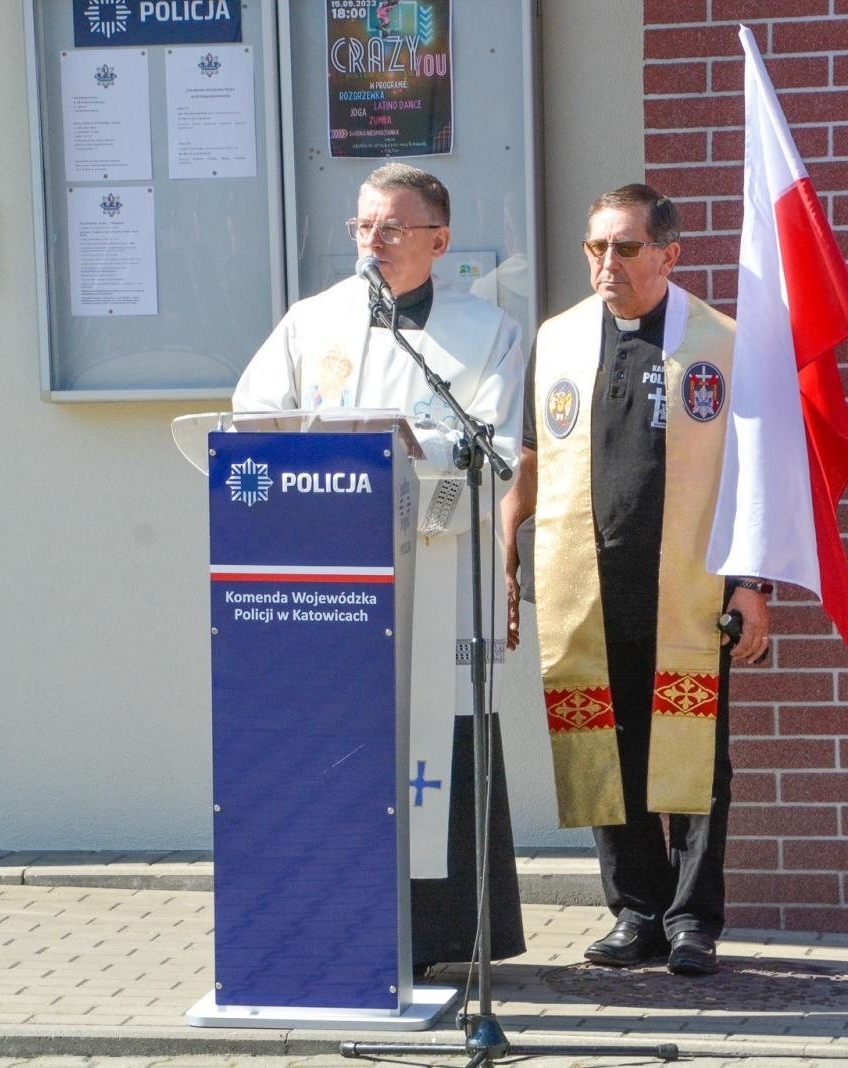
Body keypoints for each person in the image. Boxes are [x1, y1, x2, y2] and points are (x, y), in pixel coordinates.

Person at [233, 162, 527, 971]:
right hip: (332, 578)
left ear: (438, 241)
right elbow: (253, 419)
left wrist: (414, 456)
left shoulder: (486, 333)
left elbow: (497, 454)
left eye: (393, 228)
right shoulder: (310, 321)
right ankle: (334, 920)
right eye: (364, 226)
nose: (374, 241)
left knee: (439, 747)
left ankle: (438, 938)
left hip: (436, 573)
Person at [501, 184, 770, 978]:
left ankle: (692, 920)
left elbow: (754, 475)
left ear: (668, 253)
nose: (605, 264)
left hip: (688, 590)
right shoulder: (558, 341)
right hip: (586, 585)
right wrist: (505, 543)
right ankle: (636, 912)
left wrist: (753, 584)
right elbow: (530, 457)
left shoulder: (718, 342)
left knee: (692, 763)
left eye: (624, 247)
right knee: (601, 751)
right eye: (594, 248)